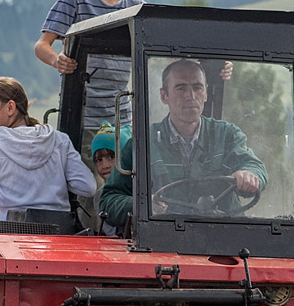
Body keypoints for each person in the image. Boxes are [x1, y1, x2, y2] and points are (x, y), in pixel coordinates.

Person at [99, 59, 266, 229]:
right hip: (163, 237)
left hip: (223, 235)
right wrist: (143, 205)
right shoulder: (143, 143)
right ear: (164, 96)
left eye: (197, 87)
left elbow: (254, 166)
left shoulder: (226, 135)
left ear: (206, 93)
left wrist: (249, 175)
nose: (191, 96)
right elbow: (108, 201)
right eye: (181, 88)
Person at [35, 0, 142, 132]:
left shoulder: (136, 7)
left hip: (122, 119)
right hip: (81, 118)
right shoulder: (75, 0)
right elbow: (41, 46)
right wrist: (57, 61)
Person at [0, 77, 97, 226]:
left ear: (10, 107)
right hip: (59, 232)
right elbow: (87, 187)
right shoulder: (60, 141)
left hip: (11, 233)